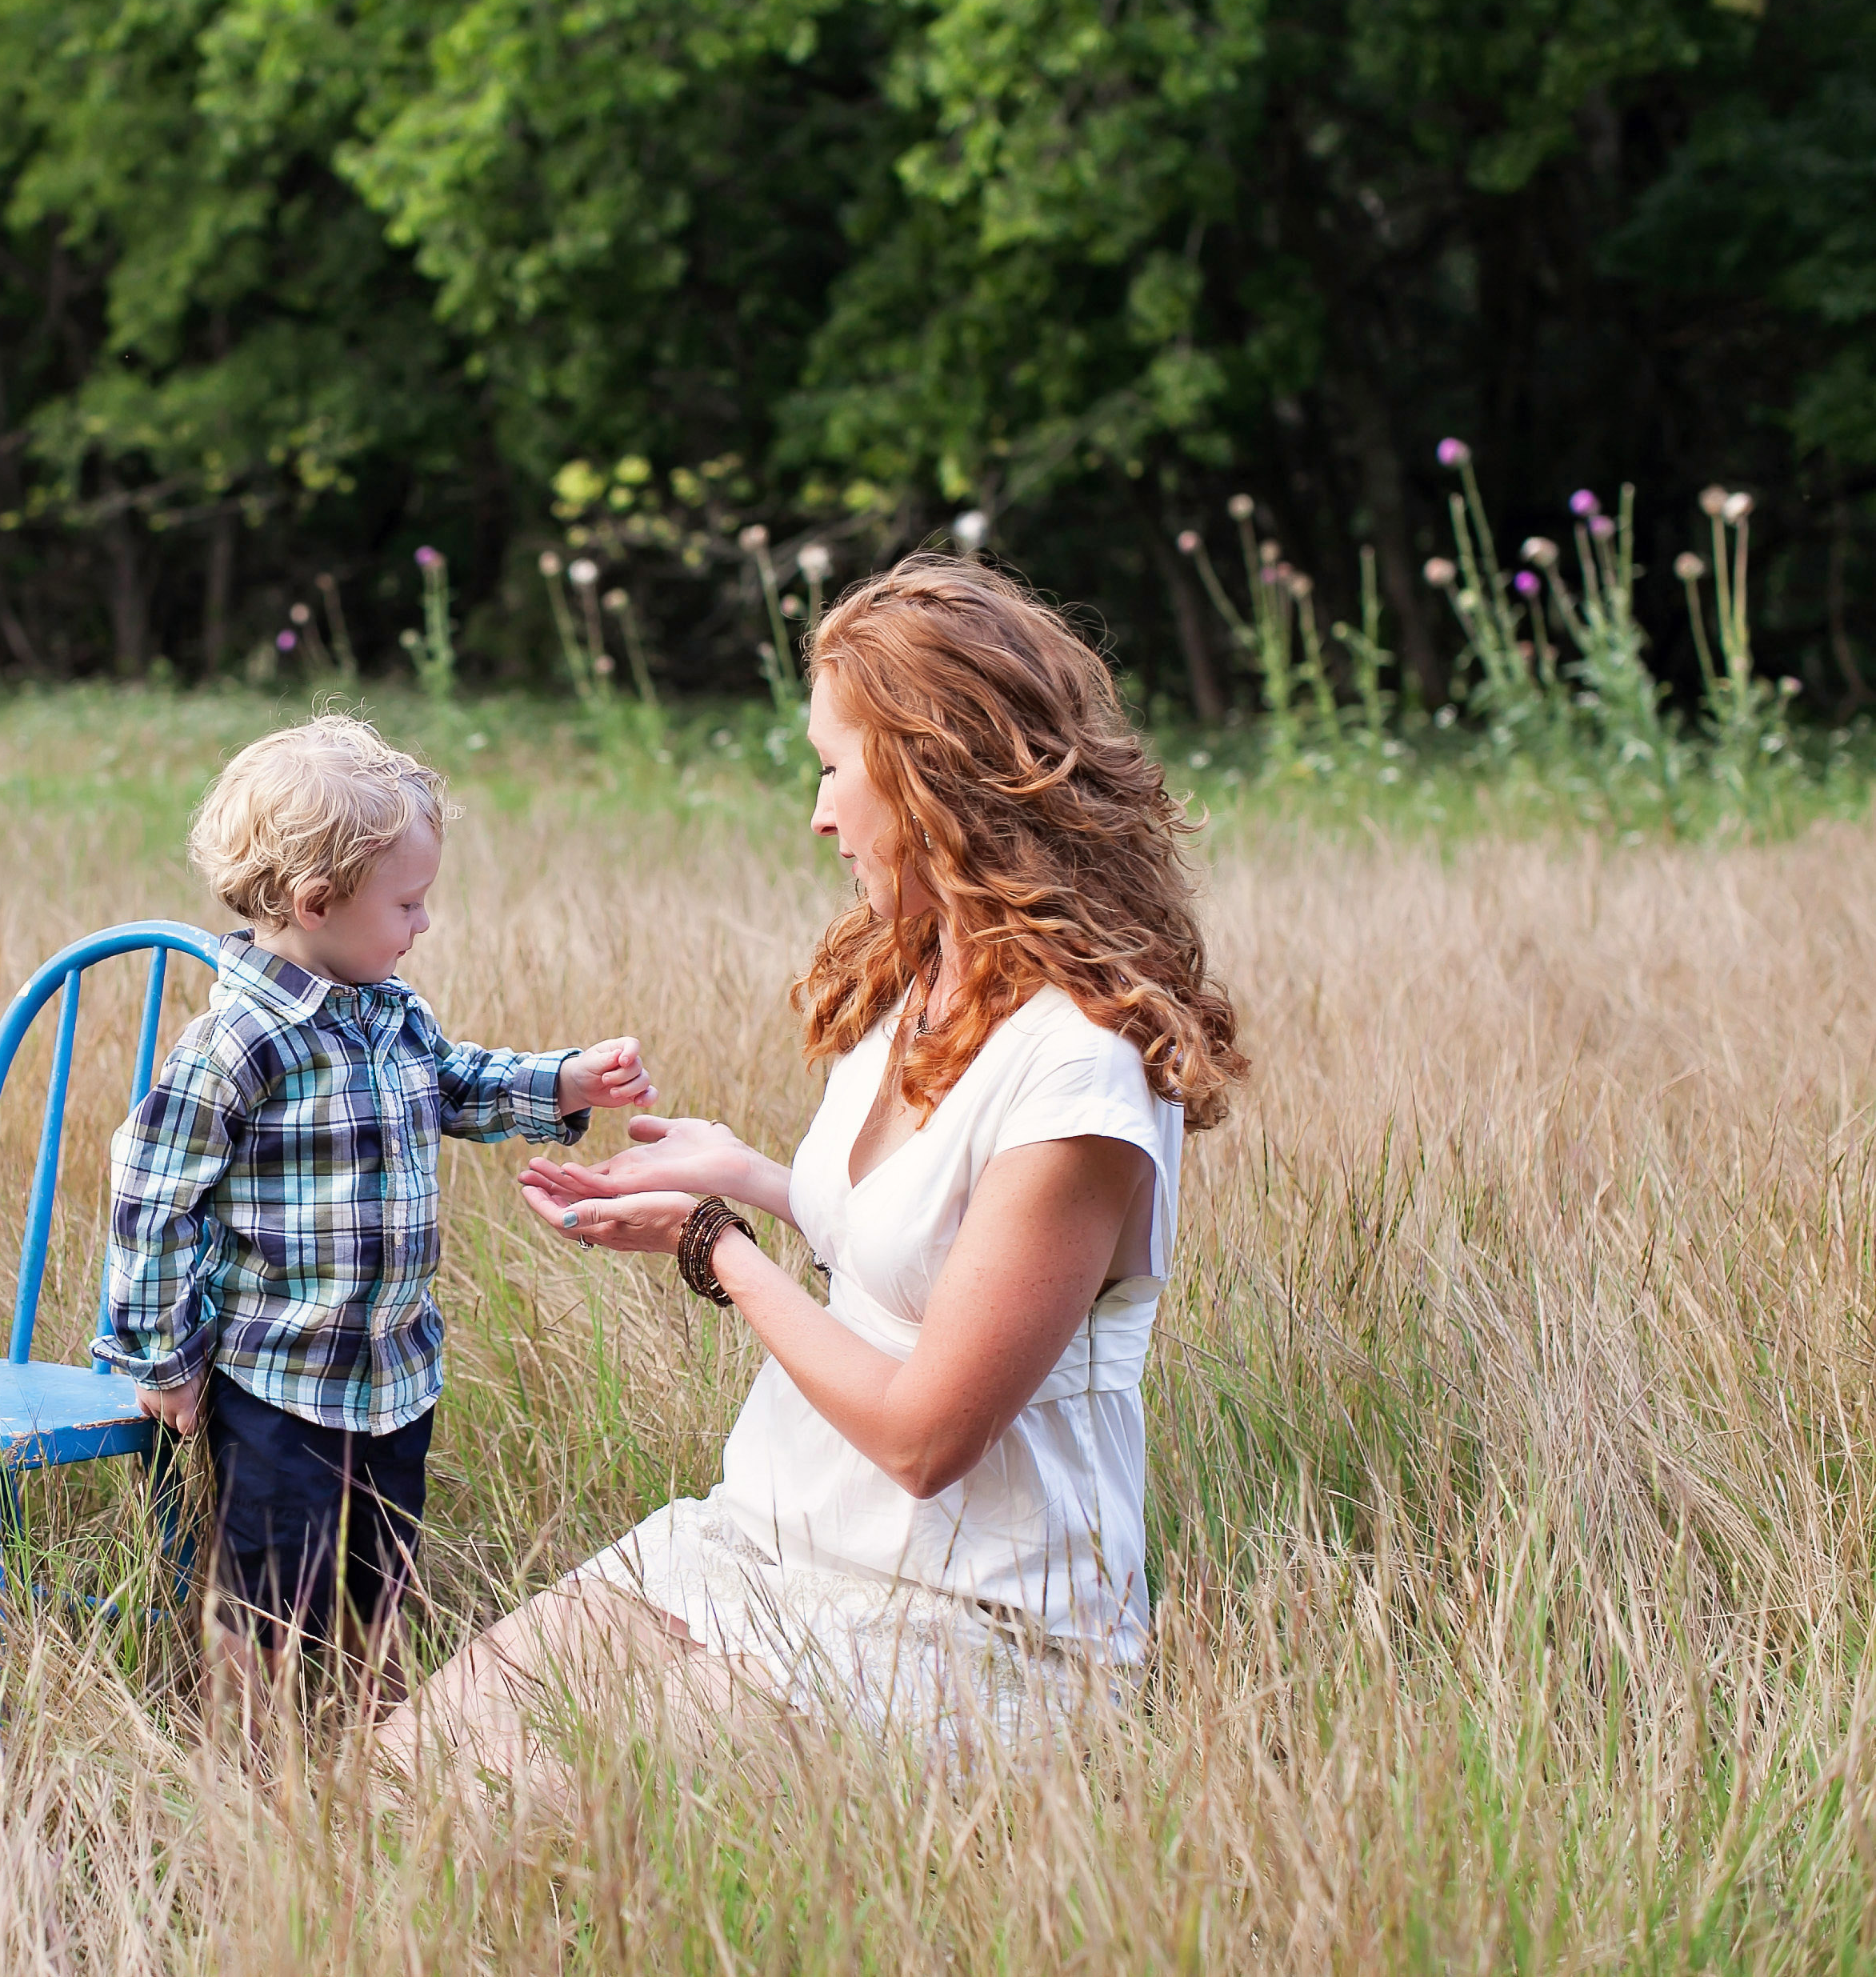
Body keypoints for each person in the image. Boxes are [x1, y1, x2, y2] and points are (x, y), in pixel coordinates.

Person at [377, 554, 1248, 1784]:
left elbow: (924, 1433)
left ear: (931, 773)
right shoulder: (932, 976)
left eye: (836, 767)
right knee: (402, 1773)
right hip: (766, 1541)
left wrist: (715, 1246)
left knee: (516, 1812)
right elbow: (925, 1242)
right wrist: (760, 1174)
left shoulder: (1078, 1076)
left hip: (964, 1624)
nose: (820, 811)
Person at [91, 713, 658, 1717]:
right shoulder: (238, 1044)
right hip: (280, 1376)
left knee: (378, 1573)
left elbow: (459, 1084)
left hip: (394, 1370)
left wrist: (564, 1082)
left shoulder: (392, 1012)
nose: (423, 925)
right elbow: (153, 1196)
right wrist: (162, 1358)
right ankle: (255, 1753)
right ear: (316, 902)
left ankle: (375, 1740)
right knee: (270, 1587)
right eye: (408, 904)